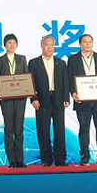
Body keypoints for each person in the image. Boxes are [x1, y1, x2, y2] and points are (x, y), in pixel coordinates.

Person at [67, 34, 97, 166]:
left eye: (90, 42)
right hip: (82, 100)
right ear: (80, 44)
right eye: (85, 42)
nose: (87, 44)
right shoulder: (73, 59)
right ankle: (84, 156)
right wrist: (73, 92)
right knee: (84, 128)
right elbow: (70, 77)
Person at [28, 36, 70, 166]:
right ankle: (46, 159)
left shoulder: (61, 63)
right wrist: (33, 98)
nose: (49, 47)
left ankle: (60, 159)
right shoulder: (34, 63)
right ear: (41, 45)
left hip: (58, 100)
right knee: (43, 130)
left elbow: (65, 81)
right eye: (47, 45)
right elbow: (30, 82)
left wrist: (66, 98)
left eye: (52, 45)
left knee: (59, 130)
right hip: (41, 100)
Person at [0, 34, 28, 168]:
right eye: (9, 43)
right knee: (8, 128)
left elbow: (26, 76)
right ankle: (11, 160)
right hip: (6, 98)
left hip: (20, 98)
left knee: (19, 128)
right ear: (4, 45)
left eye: (14, 43)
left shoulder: (22, 59)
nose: (12, 45)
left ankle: (20, 160)